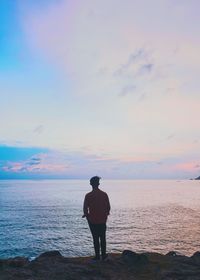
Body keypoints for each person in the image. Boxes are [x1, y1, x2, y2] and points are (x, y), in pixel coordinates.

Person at [82, 176, 110, 261]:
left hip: (92, 221)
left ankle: (97, 256)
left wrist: (87, 217)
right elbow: (108, 207)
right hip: (102, 220)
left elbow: (85, 208)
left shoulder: (88, 195)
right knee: (103, 238)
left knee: (95, 238)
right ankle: (104, 256)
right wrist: (105, 216)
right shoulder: (104, 194)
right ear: (98, 184)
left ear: (91, 184)